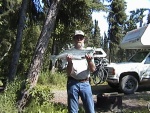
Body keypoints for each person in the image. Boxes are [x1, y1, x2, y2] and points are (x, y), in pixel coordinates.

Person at [66, 30, 96, 113]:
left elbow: (93, 70)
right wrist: (69, 62)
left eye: (81, 37)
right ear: (74, 39)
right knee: (73, 111)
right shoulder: (69, 53)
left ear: (84, 39)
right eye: (77, 37)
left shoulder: (88, 52)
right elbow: (68, 73)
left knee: (90, 110)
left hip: (85, 84)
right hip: (72, 83)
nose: (79, 39)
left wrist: (89, 61)